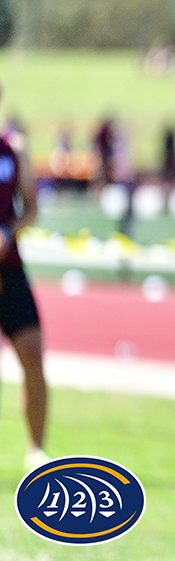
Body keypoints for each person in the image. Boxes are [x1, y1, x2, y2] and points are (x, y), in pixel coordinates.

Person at [0, 84, 49, 469]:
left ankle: (36, 451)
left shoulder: (12, 149)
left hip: (10, 268)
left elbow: (31, 207)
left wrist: (8, 231)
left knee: (32, 351)